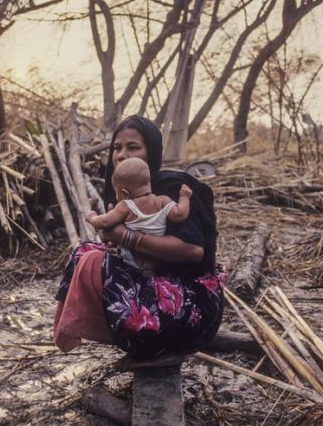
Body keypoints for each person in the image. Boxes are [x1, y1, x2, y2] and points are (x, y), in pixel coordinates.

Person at [53, 115, 224, 359]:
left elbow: (193, 251)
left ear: (151, 153)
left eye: (133, 147)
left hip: (192, 304)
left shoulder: (173, 187)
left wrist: (126, 237)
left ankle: (146, 340)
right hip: (157, 291)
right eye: (117, 148)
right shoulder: (124, 192)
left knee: (94, 263)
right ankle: (121, 335)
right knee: (84, 252)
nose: (122, 155)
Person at [84, 156, 193, 271]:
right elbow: (180, 214)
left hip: (131, 258)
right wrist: (184, 197)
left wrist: (92, 217)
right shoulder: (163, 201)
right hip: (157, 258)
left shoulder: (126, 206)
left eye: (116, 193)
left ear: (124, 193)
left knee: (90, 255)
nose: (116, 197)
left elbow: (105, 222)